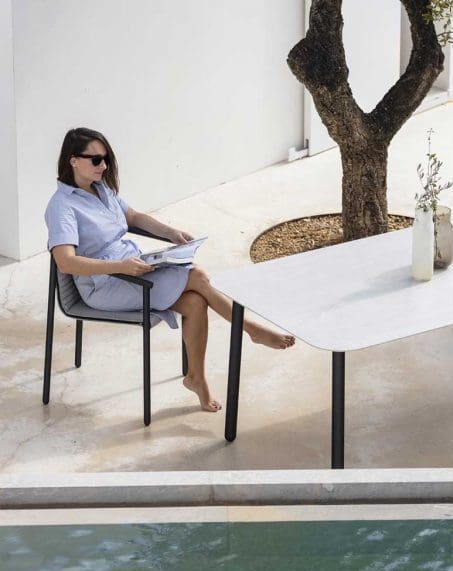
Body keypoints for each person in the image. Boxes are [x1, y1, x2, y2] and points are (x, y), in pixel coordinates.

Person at [45, 127, 295, 413]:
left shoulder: (101, 190)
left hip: (134, 269)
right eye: (96, 160)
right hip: (104, 284)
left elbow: (133, 217)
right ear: (73, 160)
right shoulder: (62, 207)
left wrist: (171, 233)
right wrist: (120, 266)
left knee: (194, 302)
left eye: (106, 160)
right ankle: (250, 329)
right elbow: (65, 261)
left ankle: (195, 378)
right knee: (197, 276)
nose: (103, 166)